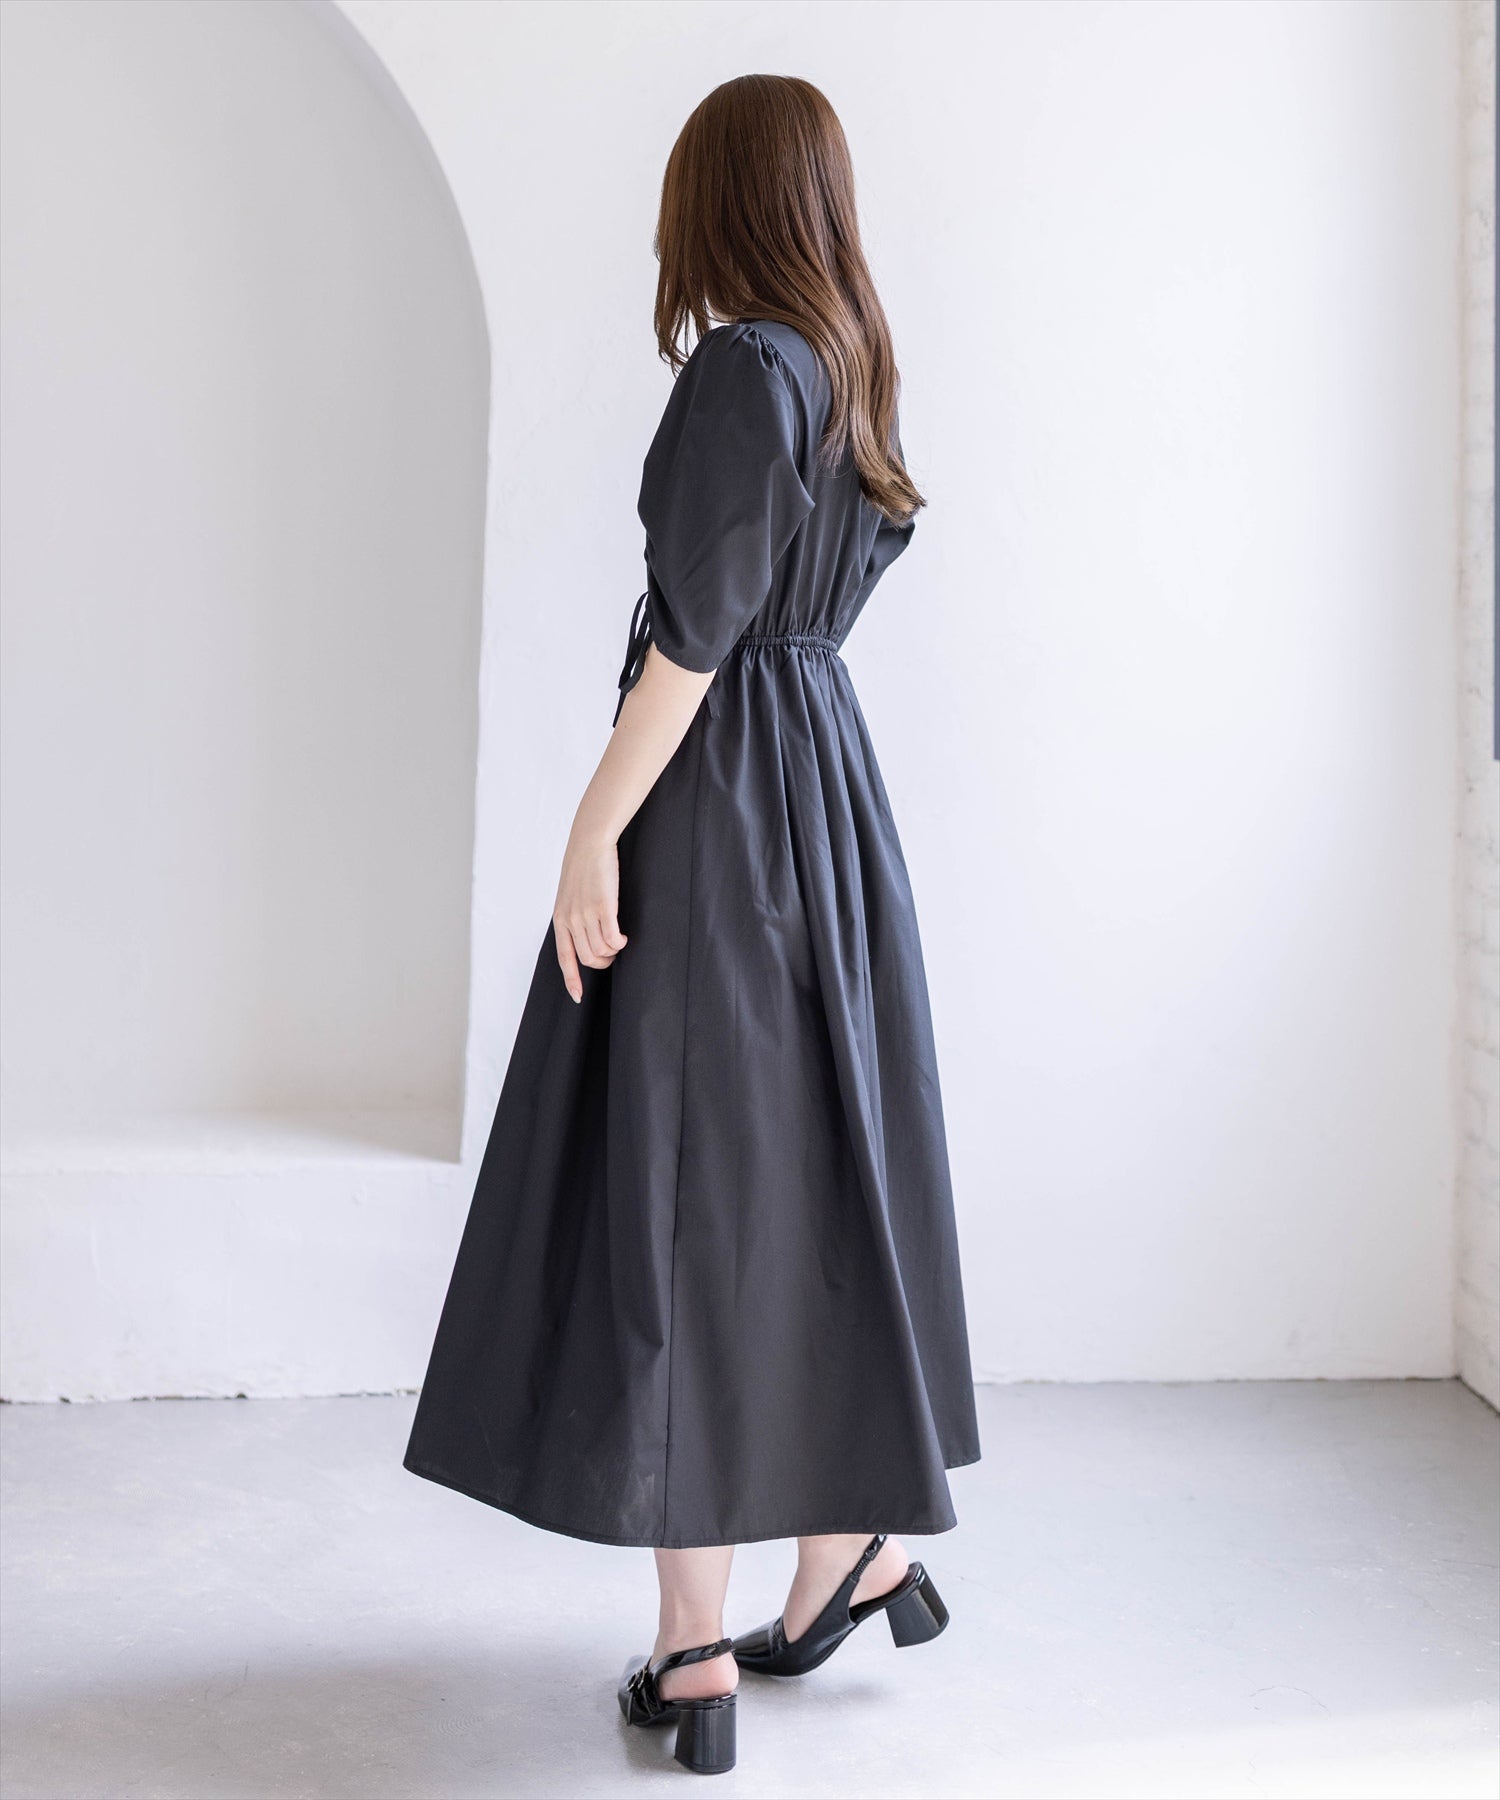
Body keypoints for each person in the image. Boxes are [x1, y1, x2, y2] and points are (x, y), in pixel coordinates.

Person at [403, 72, 980, 1777]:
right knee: (799, 1181)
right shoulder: (853, 367)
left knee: (683, 1193)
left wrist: (595, 822)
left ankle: (694, 1645)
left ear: (719, 200)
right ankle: (843, 1555)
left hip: (723, 801)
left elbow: (699, 634)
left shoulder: (745, 368)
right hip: (827, 804)